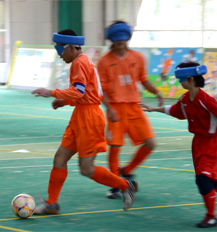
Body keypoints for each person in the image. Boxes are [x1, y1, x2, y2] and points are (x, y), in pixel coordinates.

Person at [31, 29, 137, 214]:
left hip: (89, 119)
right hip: (80, 116)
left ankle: (124, 185)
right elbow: (86, 94)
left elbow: (79, 92)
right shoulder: (82, 62)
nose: (59, 55)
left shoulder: (79, 63)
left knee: (86, 169)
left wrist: (52, 92)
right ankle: (52, 203)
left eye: (60, 50)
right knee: (59, 158)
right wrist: (64, 101)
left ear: (71, 48)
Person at [139, 62, 217, 228]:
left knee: (203, 179)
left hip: (211, 143)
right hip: (197, 143)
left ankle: (211, 216)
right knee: (208, 180)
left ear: (190, 79)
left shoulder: (205, 100)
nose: (179, 82)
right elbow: (174, 110)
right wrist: (153, 109)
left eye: (181, 79)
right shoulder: (185, 99)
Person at [97, 21, 164, 199]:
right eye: (116, 38)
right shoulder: (104, 61)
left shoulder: (138, 57)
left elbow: (143, 79)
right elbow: (102, 89)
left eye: (123, 38)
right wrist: (109, 109)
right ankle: (114, 184)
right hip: (116, 109)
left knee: (150, 143)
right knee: (115, 147)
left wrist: (156, 91)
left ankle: (127, 170)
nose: (120, 41)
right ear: (111, 39)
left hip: (135, 107)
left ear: (127, 37)